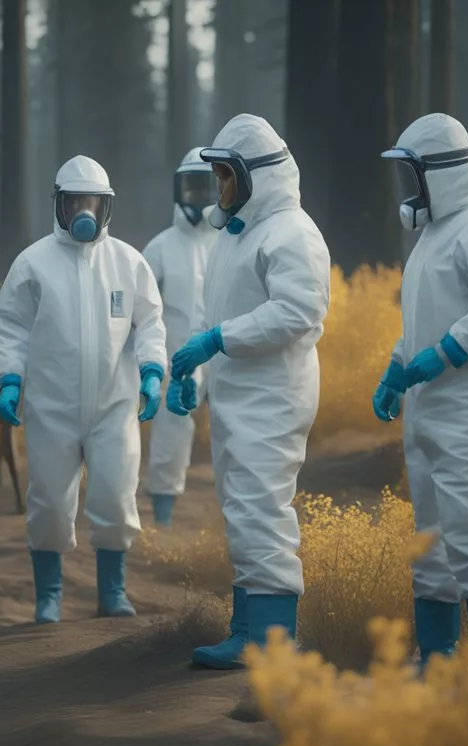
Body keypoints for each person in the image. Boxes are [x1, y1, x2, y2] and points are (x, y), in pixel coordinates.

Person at [167, 114, 331, 669]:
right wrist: (198, 374)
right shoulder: (240, 235)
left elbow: (298, 312)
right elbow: (223, 312)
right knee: (243, 508)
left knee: (261, 507)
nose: (219, 189)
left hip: (274, 394)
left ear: (255, 176)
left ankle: (271, 639)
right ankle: (249, 627)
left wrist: (215, 342)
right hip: (243, 394)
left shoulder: (291, 231)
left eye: (225, 177)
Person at [372, 113, 468, 663]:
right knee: (433, 538)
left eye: (411, 176)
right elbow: (422, 319)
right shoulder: (434, 238)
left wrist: (444, 353)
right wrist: (399, 369)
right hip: (433, 396)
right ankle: (436, 658)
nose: (407, 191)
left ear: (438, 174)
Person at [0, 155, 168, 624]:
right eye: (75, 202)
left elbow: (150, 321)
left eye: (92, 202)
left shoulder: (128, 262)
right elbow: (11, 327)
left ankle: (113, 591)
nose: (83, 211)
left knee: (114, 496)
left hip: (115, 405)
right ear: (60, 205)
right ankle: (48, 595)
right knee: (49, 501)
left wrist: (152, 369)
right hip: (51, 407)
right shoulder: (33, 263)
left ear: (106, 206)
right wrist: (10, 378)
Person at [142, 147, 220, 527]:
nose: (197, 199)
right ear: (177, 190)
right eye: (190, 189)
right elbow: (139, 309)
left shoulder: (231, 242)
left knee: (236, 437)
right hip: (176, 360)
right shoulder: (159, 248)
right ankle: (163, 522)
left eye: (206, 189)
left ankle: (229, 524)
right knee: (169, 438)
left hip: (226, 359)